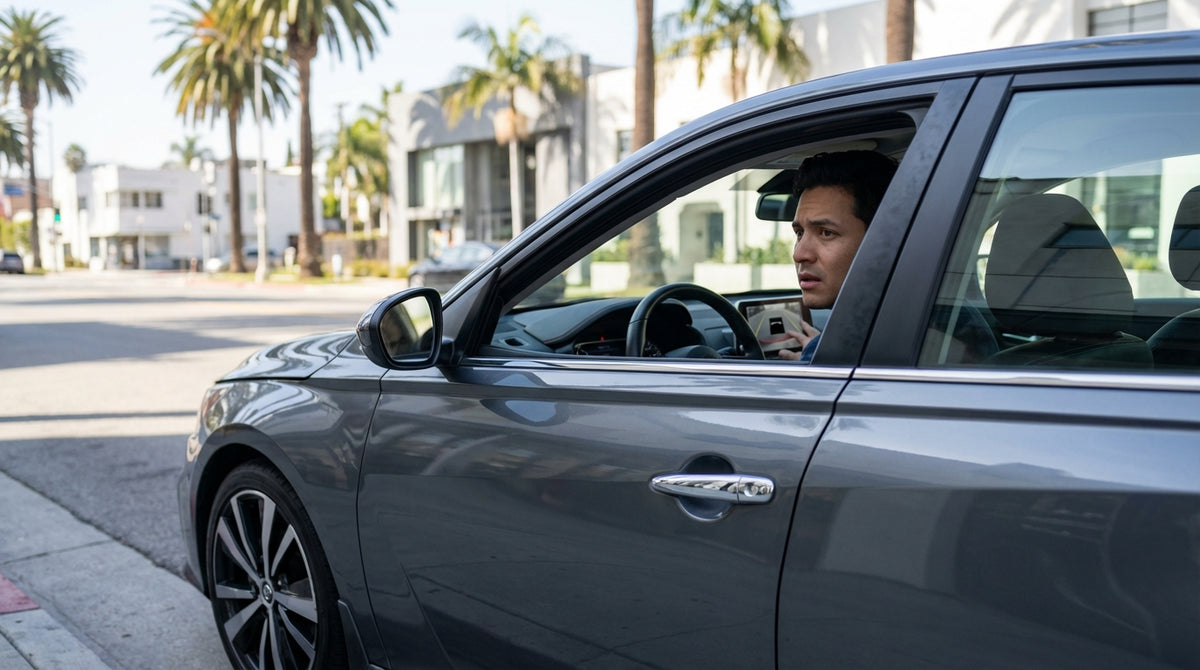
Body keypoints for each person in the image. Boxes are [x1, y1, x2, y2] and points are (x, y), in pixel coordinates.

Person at [777, 150, 899, 361]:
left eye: (826, 233)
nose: (799, 254)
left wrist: (816, 355)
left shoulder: (842, 352)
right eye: (799, 233)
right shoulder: (938, 318)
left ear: (883, 241)